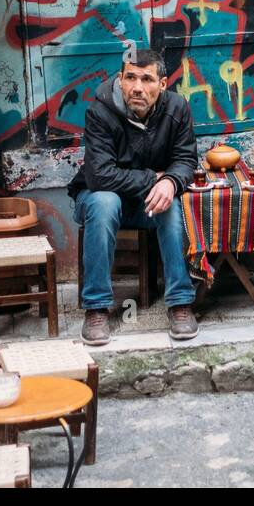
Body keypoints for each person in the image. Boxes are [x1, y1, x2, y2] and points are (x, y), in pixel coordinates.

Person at [68, 49, 200, 345]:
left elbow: (186, 160)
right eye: (130, 78)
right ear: (120, 79)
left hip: (145, 205)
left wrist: (170, 181)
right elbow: (100, 175)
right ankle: (97, 308)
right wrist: (153, 178)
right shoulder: (100, 110)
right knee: (105, 202)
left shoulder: (177, 109)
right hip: (96, 200)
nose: (137, 87)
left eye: (146, 79)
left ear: (163, 84)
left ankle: (180, 303)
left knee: (170, 203)